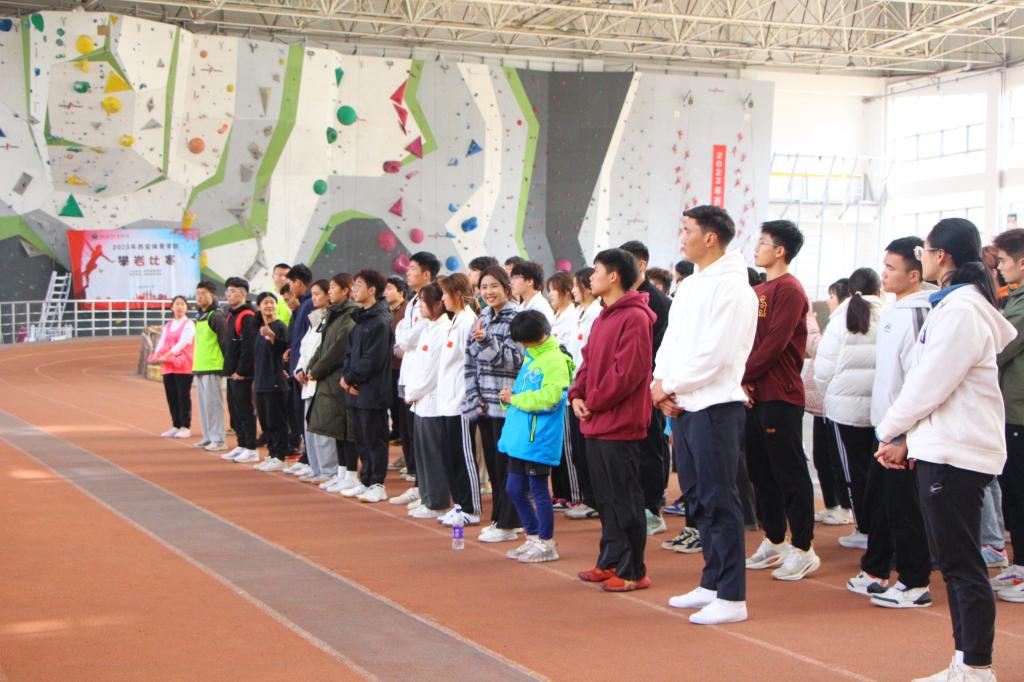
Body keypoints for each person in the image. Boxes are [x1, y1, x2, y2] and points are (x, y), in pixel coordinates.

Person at [876, 218, 1015, 682]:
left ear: (942, 257)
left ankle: (975, 665)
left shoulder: (961, 310)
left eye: (925, 251)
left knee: (961, 564)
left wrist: (891, 430)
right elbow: (935, 387)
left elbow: (930, 383)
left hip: (956, 455)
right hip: (944, 448)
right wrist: (907, 439)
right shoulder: (954, 305)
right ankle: (966, 662)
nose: (923, 257)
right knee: (956, 564)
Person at [651, 205, 756, 624]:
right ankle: (711, 582)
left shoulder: (733, 288)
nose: (682, 237)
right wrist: (659, 383)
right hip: (685, 405)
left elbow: (718, 355)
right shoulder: (692, 284)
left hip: (715, 406)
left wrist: (671, 386)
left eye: (687, 230)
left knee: (720, 500)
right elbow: (671, 342)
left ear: (710, 238)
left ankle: (732, 596)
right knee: (697, 498)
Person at [847, 238, 934, 608]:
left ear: (914, 275)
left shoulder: (919, 314)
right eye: (883, 266)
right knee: (880, 503)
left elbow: (919, 381)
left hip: (903, 432)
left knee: (905, 509)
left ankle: (915, 582)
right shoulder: (893, 309)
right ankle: (875, 570)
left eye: (891, 268)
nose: (883, 274)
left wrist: (904, 434)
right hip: (884, 426)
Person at [570, 248, 655, 593]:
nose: (591, 278)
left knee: (625, 498)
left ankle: (634, 570)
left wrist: (593, 400)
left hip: (619, 423)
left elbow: (628, 372)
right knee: (605, 498)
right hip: (597, 420)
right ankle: (610, 560)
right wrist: (576, 394)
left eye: (596, 271)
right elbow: (587, 361)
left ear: (614, 276)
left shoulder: (635, 317)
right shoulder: (603, 316)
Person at [741, 220, 820, 581]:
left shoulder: (789, 289)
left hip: (780, 395)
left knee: (788, 472)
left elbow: (775, 342)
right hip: (754, 393)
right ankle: (774, 539)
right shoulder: (758, 288)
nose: (756, 248)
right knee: (760, 471)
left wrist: (742, 376)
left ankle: (803, 547)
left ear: (780, 250)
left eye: (763, 242)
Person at [815, 268, 884, 552]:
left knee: (854, 472)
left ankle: (863, 529)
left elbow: (823, 369)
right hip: (880, 410)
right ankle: (878, 530)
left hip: (845, 410)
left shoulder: (839, 320)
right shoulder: (888, 314)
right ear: (879, 290)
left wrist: (830, 396)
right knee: (879, 473)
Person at [499, 311, 574, 564]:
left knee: (538, 490)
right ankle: (532, 537)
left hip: (538, 438)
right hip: (520, 437)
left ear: (541, 335)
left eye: (526, 341)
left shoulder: (554, 360)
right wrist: (510, 399)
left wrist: (515, 399)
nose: (523, 346)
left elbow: (551, 399)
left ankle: (546, 541)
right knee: (514, 488)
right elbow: (525, 395)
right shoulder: (532, 356)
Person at [463, 266, 524, 543]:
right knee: (495, 466)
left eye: (494, 286)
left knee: (508, 466)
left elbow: (514, 360)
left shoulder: (517, 318)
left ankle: (510, 522)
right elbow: (469, 361)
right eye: (484, 287)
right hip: (485, 405)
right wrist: (473, 395)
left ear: (506, 287)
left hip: (507, 404)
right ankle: (500, 518)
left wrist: (487, 341)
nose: (488, 292)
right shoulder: (483, 317)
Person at [619, 240, 672, 536]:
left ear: (640, 265)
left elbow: (658, 350)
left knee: (651, 447)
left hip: (648, 387)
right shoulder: (623, 299)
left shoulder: (658, 302)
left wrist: (653, 384)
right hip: (627, 387)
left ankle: (653, 507)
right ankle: (637, 504)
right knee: (632, 450)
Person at [340, 269, 394, 503]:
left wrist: (351, 378)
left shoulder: (380, 321)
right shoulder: (361, 319)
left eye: (358, 285)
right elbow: (349, 353)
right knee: (361, 439)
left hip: (373, 391)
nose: (354, 290)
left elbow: (373, 359)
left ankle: (377, 483)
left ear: (372, 290)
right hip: (356, 390)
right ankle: (366, 480)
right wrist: (347, 378)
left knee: (374, 439)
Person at [401, 283, 453, 519]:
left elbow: (432, 371)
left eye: (424, 301)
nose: (420, 306)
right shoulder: (427, 326)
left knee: (433, 455)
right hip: (419, 400)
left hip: (432, 401)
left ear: (439, 303)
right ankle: (426, 497)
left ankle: (437, 502)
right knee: (421, 453)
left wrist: (413, 392)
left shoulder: (443, 329)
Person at [306, 274, 361, 492]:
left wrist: (317, 370)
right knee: (336, 428)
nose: (330, 292)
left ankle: (351, 474)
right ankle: (341, 472)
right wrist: (312, 366)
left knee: (347, 428)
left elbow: (338, 348)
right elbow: (322, 346)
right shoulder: (333, 313)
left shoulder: (351, 314)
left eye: (333, 288)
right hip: (329, 379)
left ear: (346, 290)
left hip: (340, 377)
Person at [992, 228, 1024, 603]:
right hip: (1013, 410)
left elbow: (999, 347)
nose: (998, 268)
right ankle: (1019, 565)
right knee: (1013, 493)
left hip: (1019, 411)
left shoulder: (1021, 304)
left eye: (1002, 260)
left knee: (1019, 491)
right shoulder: (1015, 298)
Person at [436, 274, 482, 527]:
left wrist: (470, 397)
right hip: (447, 399)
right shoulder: (455, 321)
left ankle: (471, 508)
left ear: (456, 293)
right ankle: (459, 505)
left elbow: (472, 363)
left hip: (461, 400)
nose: (442, 299)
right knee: (451, 455)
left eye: (445, 293)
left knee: (464, 455)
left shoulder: (468, 321)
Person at [393, 252, 441, 493]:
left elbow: (410, 337)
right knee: (409, 431)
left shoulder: (433, 300)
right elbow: (401, 333)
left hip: (422, 377)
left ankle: (425, 487)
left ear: (426, 274)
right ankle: (417, 482)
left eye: (412, 268)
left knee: (423, 436)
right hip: (408, 372)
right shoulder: (413, 301)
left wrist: (404, 338)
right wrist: (403, 338)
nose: (407, 272)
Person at [809, 279, 854, 526]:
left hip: (833, 402)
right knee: (823, 456)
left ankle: (845, 507)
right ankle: (833, 505)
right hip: (824, 403)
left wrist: (809, 321)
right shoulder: (838, 320)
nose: (828, 301)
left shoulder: (843, 321)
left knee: (836, 458)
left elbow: (819, 352)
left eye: (831, 296)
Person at [564, 267, 600, 520]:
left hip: (586, 392)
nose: (573, 291)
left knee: (588, 451)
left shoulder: (596, 313)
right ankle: (588, 497)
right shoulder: (579, 313)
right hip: (573, 390)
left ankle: (594, 500)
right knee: (578, 449)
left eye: (576, 286)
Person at [293, 279, 337, 484]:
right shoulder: (315, 319)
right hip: (307, 380)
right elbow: (305, 348)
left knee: (323, 428)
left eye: (318, 294)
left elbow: (326, 352)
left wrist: (313, 371)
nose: (314, 298)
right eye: (312, 295)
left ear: (329, 295)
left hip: (321, 379)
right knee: (309, 426)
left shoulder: (332, 319)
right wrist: (300, 369)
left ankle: (328, 470)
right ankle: (316, 466)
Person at [546, 271, 581, 509]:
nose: (550, 295)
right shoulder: (556, 316)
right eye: (549, 291)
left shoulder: (571, 317)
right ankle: (560, 491)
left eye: (554, 290)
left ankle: (572, 493)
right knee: (557, 444)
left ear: (567, 292)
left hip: (566, 387)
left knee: (568, 446)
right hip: (554, 387)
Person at [222, 277, 260, 464]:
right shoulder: (231, 315)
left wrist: (242, 371)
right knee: (235, 410)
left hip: (242, 374)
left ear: (243, 293)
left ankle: (251, 448)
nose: (229, 295)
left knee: (245, 410)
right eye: (228, 291)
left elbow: (248, 347)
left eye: (233, 291)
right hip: (231, 372)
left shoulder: (247, 316)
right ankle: (241, 444)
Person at [251, 292, 290, 471]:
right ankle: (272, 453)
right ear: (258, 307)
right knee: (265, 422)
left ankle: (280, 456)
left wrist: (273, 337)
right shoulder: (259, 329)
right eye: (265, 303)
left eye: (271, 302)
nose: (269, 306)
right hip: (260, 381)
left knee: (277, 421)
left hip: (275, 382)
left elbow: (284, 349)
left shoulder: (280, 326)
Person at [151, 295, 196, 439]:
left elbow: (184, 342)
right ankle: (175, 424)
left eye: (182, 304)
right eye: (177, 304)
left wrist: (168, 354)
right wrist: (157, 354)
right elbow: (162, 341)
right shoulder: (169, 325)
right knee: (171, 396)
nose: (179, 307)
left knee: (183, 395)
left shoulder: (189, 324)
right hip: (168, 365)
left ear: (187, 307)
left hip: (183, 365)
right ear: (171, 307)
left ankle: (185, 426)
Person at [191, 282, 228, 452]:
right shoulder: (200, 316)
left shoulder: (216, 316)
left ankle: (218, 439)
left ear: (212, 295)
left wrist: (227, 366)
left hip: (213, 366)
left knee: (213, 405)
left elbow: (224, 342)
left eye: (203, 293)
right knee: (204, 406)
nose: (199, 297)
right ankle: (208, 436)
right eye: (198, 293)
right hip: (200, 366)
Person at [285, 264, 315, 456]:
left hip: (305, 369)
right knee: (298, 413)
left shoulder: (310, 304)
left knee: (305, 414)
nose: (289, 289)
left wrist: (304, 366)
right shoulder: (301, 305)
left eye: (289, 284)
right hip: (297, 366)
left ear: (297, 282)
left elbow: (312, 338)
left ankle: (309, 458)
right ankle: (307, 456)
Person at [384, 276, 409, 447]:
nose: (385, 292)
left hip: (402, 365)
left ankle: (401, 434)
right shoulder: (387, 311)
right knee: (392, 401)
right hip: (389, 366)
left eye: (389, 288)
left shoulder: (407, 310)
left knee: (401, 404)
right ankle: (397, 431)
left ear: (400, 292)